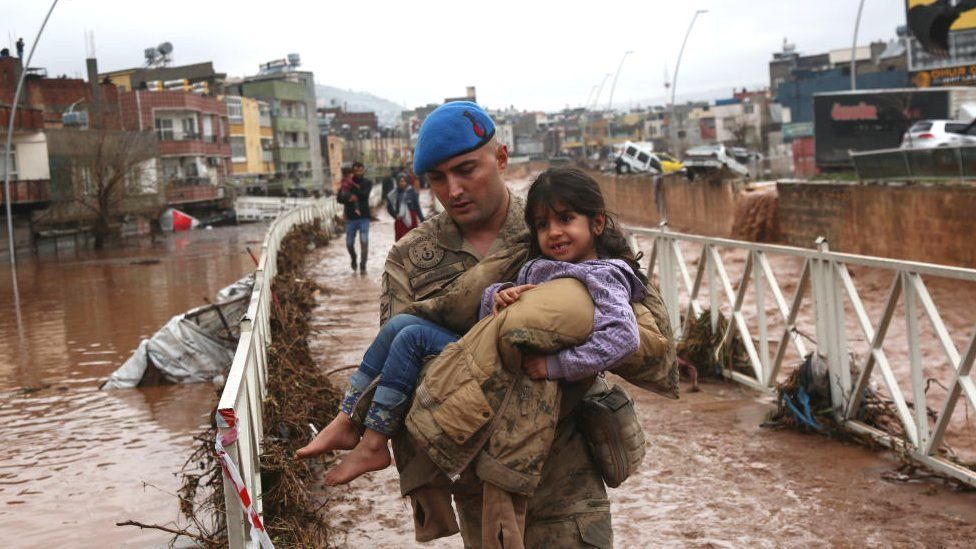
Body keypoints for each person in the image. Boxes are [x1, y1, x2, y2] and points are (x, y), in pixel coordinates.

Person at [299, 101, 674, 547]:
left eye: (466, 170)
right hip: (478, 488)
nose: (453, 189)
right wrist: (493, 311)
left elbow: (660, 356)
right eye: (437, 178)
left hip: (567, 478)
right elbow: (402, 379)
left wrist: (565, 331)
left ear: (500, 157)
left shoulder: (563, 227)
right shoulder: (411, 258)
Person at [297, 167, 649, 490]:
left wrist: (558, 365)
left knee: (411, 338)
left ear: (597, 224)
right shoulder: (544, 265)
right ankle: (347, 418)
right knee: (399, 326)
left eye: (566, 219)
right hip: (491, 349)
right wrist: (499, 295)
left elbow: (623, 337)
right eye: (542, 225)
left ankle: (374, 443)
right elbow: (491, 316)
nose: (554, 232)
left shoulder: (602, 276)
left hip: (512, 374)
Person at [337, 161, 373, 273]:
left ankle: (363, 265)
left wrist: (352, 189)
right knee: (349, 243)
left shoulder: (367, 182)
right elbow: (339, 198)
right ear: (353, 170)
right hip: (350, 218)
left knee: (364, 241)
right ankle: (353, 258)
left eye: (360, 169)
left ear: (363, 170)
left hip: (364, 218)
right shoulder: (346, 182)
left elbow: (364, 195)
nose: (358, 171)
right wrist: (349, 198)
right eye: (356, 169)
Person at [387, 172, 426, 241]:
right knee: (400, 241)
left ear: (407, 181)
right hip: (400, 221)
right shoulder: (394, 193)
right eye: (400, 181)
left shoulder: (411, 192)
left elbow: (417, 206)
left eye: (403, 181)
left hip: (411, 220)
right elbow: (389, 207)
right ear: (397, 182)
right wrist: (395, 216)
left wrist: (422, 219)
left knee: (412, 240)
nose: (402, 183)